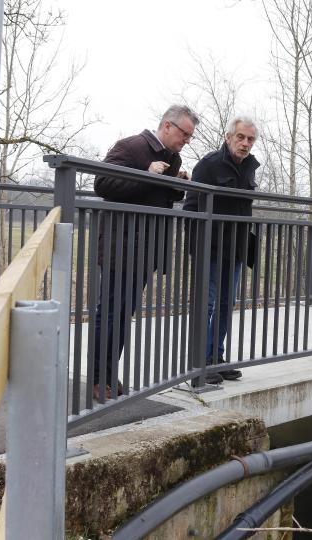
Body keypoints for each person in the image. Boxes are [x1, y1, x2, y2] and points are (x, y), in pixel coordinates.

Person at [91, 104, 198, 401]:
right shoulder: (130, 147)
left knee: (124, 314)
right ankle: (99, 378)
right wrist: (144, 172)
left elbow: (159, 197)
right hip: (119, 247)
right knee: (111, 313)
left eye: (190, 136)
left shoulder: (172, 158)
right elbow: (102, 183)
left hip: (145, 251)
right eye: (184, 134)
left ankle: (110, 374)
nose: (187, 140)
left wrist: (178, 185)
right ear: (167, 126)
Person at [183, 117, 260, 385]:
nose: (245, 143)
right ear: (228, 138)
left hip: (236, 248)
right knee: (208, 304)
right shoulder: (209, 165)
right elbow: (191, 206)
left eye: (250, 139)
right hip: (211, 248)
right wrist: (198, 245)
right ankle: (200, 363)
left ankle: (216, 357)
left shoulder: (250, 167)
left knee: (227, 304)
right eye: (240, 137)